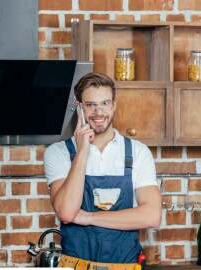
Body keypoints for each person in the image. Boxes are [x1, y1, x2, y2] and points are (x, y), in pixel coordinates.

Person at [44, 72, 162, 269]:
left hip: (124, 267)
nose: (99, 112)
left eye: (105, 103)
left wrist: (87, 217)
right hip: (74, 266)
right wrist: (82, 151)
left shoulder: (138, 152)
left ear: (114, 105)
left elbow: (151, 215)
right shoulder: (58, 153)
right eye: (90, 105)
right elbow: (66, 212)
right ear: (79, 108)